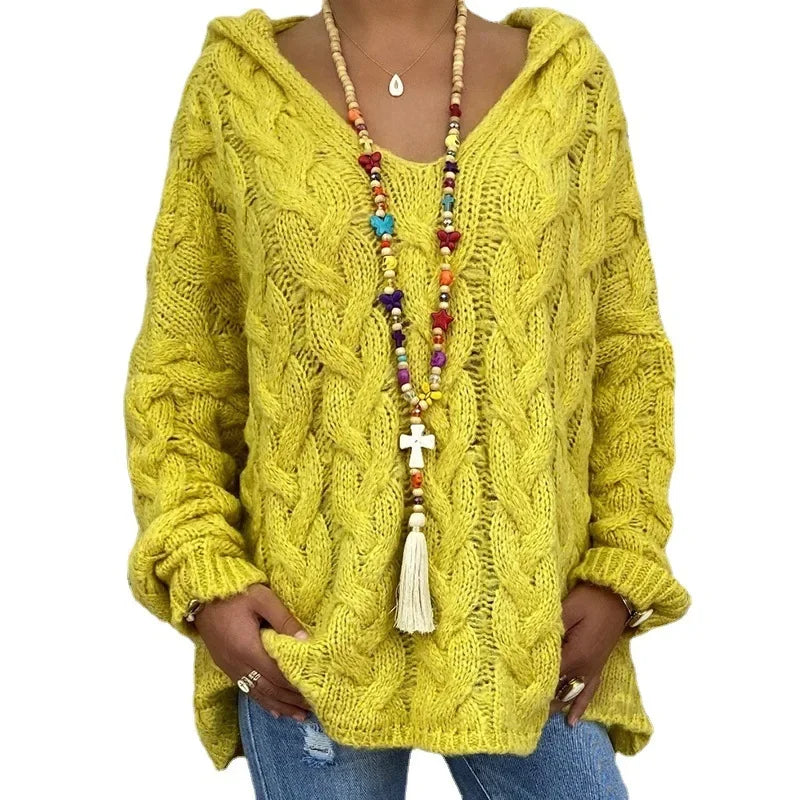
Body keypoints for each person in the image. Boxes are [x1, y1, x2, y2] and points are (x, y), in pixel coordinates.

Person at [123, 2, 690, 797]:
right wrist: (203, 574)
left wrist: (621, 570)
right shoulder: (238, 90)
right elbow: (183, 369)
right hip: (307, 633)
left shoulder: (566, 83)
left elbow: (627, 355)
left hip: (531, 623)